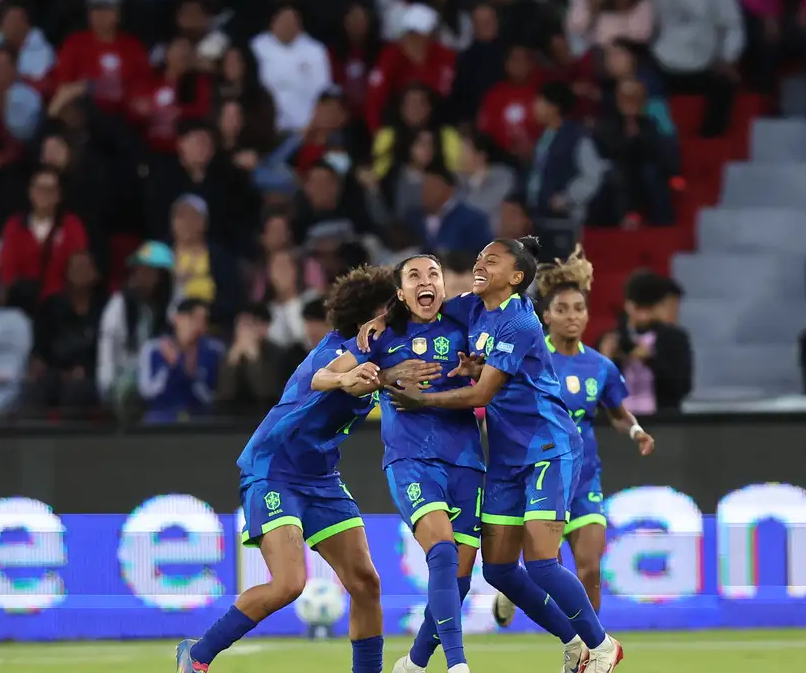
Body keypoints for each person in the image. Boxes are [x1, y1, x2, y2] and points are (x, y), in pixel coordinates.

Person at [369, 237, 624, 673]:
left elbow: (484, 393)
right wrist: (378, 317)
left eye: (492, 260)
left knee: (542, 563)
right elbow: (420, 305)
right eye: (479, 255)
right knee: (500, 572)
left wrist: (423, 400)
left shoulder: (520, 322)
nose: (479, 263)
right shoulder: (471, 307)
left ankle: (600, 644)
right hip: (505, 456)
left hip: (547, 445)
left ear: (517, 277)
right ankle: (571, 643)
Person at [175, 268, 440, 673]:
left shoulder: (385, 352)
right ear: (365, 317)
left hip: (321, 478)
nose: (395, 315)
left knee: (366, 584)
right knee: (289, 584)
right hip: (274, 470)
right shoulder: (335, 351)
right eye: (388, 309)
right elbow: (327, 377)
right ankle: (197, 655)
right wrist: (353, 378)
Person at [325, 255, 479, 673]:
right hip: (411, 460)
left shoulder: (466, 324)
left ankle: (414, 663)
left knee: (459, 579)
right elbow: (326, 376)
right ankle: (457, 665)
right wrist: (379, 375)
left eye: (433, 275)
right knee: (442, 551)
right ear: (400, 292)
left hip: (467, 459)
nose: (425, 282)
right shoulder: (380, 337)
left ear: (445, 287)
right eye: (414, 276)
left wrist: (477, 370)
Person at [505, 245, 655, 615]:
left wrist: (636, 431)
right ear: (546, 317)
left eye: (579, 309)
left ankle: (590, 653)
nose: (572, 317)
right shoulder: (531, 361)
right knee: (547, 569)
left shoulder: (600, 366)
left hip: (585, 477)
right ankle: (509, 581)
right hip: (542, 476)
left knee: (589, 567)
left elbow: (617, 413)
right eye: (562, 309)